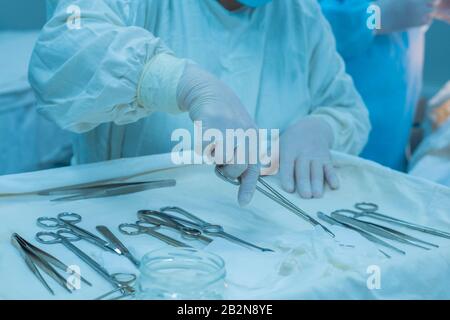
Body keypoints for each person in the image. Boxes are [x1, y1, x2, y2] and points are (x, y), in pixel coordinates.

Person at [29, 0, 370, 205]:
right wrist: (177, 82)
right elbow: (61, 56)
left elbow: (346, 107)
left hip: (255, 233)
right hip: (120, 221)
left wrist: (321, 127)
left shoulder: (298, 13)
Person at [319, 0, 448, 171]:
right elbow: (308, 27)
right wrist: (378, 16)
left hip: (391, 145)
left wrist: (430, 8)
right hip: (340, 145)